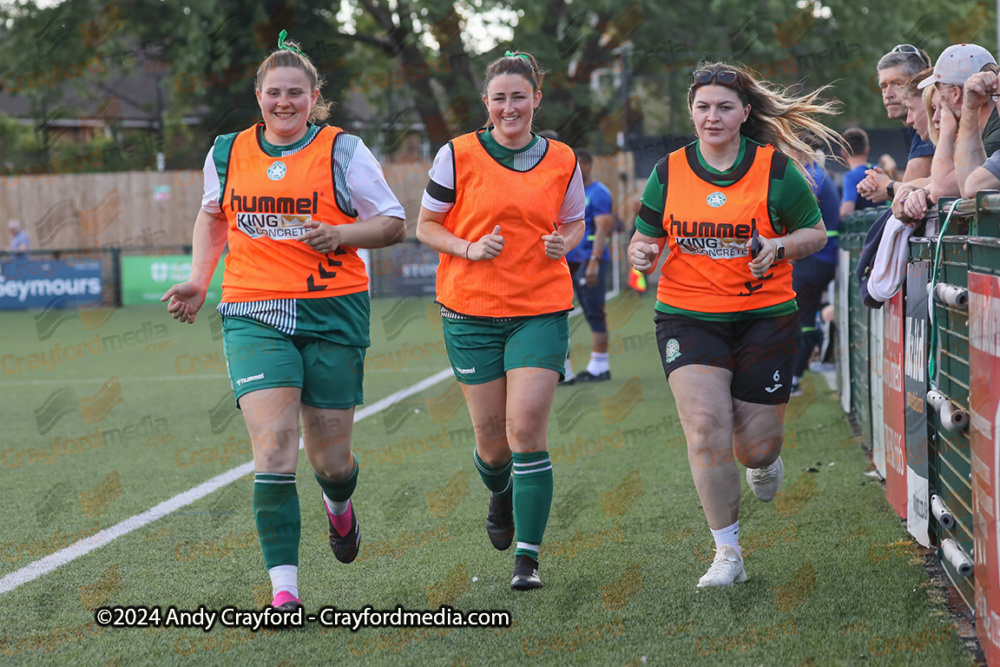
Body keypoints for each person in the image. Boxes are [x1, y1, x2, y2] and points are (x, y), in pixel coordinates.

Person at [161, 31, 406, 613]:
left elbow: (394, 222)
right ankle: (285, 591)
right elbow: (211, 216)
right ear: (259, 96)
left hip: (332, 312)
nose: (284, 103)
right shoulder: (226, 151)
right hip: (252, 311)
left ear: (314, 95)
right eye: (275, 93)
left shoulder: (344, 151)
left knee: (331, 461)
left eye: (296, 93)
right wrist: (200, 279)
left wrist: (343, 234)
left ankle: (339, 505)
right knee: (273, 450)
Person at [628, 63, 839, 587]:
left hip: (764, 318)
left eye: (724, 106)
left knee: (757, 447)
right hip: (686, 315)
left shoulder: (774, 170)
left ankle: (764, 461)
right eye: (702, 107)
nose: (712, 116)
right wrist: (640, 251)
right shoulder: (669, 171)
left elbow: (815, 234)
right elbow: (646, 238)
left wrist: (779, 246)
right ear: (691, 112)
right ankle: (728, 553)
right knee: (705, 428)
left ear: (746, 113)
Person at [416, 50, 585, 590]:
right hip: (470, 311)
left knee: (525, 431)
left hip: (540, 308)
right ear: (486, 104)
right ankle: (500, 491)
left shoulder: (563, 159)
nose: (509, 107)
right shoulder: (457, 154)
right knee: (493, 445)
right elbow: (425, 226)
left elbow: (576, 223)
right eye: (500, 98)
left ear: (536, 99)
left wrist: (566, 242)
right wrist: (467, 247)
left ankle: (528, 560)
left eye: (519, 97)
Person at [856, 44, 934, 205]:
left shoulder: (930, 122)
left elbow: (906, 194)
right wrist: (880, 183)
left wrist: (886, 187)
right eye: (883, 86)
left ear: (921, 84)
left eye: (898, 84)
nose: (888, 94)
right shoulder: (915, 128)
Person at [561, 149, 614, 384]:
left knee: (594, 312)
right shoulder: (567, 192)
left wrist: (593, 261)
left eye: (579, 164)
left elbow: (603, 228)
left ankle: (600, 366)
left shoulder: (599, 193)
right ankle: (564, 369)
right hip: (567, 261)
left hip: (590, 261)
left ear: (589, 165)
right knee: (557, 313)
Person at [792, 144, 841, 396]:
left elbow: (794, 211)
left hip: (817, 258)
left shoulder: (813, 175)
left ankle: (793, 377)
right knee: (803, 316)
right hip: (819, 258)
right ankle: (795, 374)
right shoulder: (816, 174)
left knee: (801, 317)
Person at [838, 128, 878, 219]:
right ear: (867, 150)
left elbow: (846, 212)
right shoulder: (878, 170)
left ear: (843, 153)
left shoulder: (851, 177)